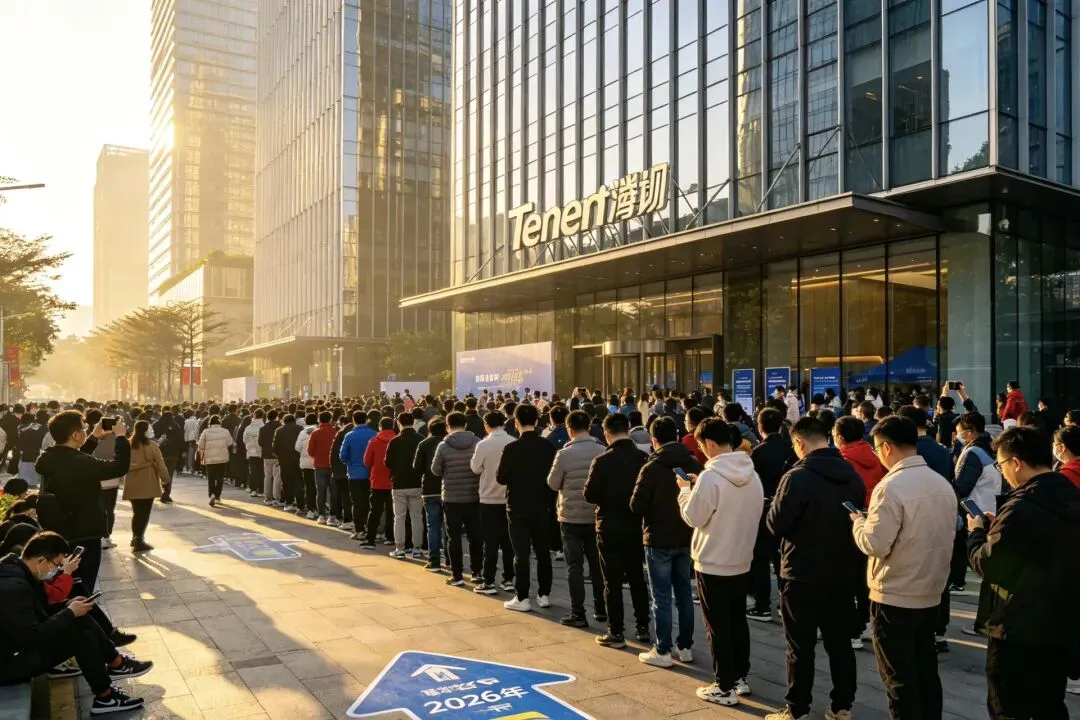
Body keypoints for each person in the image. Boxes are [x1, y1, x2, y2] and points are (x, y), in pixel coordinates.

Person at [966, 426, 1080, 718]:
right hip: (1061, 624)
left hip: (1017, 627)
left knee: (1007, 706)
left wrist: (976, 534)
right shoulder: (1070, 495)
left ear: (1015, 462)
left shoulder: (1020, 507)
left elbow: (990, 565)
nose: (1002, 473)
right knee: (1050, 705)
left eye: (1001, 465)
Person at [850, 416, 956, 720]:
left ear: (886, 447)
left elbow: (874, 543)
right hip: (931, 591)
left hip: (894, 595)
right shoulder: (941, 483)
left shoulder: (890, 487)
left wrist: (858, 523)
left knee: (898, 678)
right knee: (925, 671)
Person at [766, 417, 865, 720]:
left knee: (800, 646)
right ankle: (842, 706)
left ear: (799, 442)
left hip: (800, 572)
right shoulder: (851, 475)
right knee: (840, 644)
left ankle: (797, 709)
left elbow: (776, 524)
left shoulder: (796, 477)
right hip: (841, 572)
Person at [0, 531, 153, 714]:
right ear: (41, 560)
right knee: (79, 635)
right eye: (56, 565)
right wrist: (69, 612)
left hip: (16, 649)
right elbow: (31, 636)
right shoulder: (11, 588)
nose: (56, 570)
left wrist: (67, 606)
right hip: (8, 664)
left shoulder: (19, 572)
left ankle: (114, 670)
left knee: (79, 618)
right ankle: (108, 689)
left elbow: (36, 614)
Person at [676, 419, 763, 706]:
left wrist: (684, 491)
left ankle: (723, 686)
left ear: (710, 443)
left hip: (712, 560)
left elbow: (693, 516)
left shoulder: (711, 477)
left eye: (701, 445)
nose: (701, 450)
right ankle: (740, 677)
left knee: (717, 625)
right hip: (741, 557)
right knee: (737, 620)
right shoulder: (752, 473)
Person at [627, 415, 701, 660]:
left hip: (657, 537)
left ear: (654, 440)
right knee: (684, 594)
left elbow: (636, 506)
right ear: (677, 435)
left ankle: (663, 649)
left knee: (661, 596)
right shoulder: (693, 463)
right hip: (686, 536)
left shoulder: (650, 468)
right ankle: (685, 646)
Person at [35, 412, 130, 594]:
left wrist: (94, 438)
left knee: (66, 584)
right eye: (84, 428)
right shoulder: (78, 462)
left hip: (60, 531)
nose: (87, 431)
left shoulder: (50, 457)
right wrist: (120, 437)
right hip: (83, 533)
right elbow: (119, 467)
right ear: (75, 435)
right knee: (82, 588)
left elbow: (73, 459)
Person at [547, 410, 606, 627]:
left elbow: (553, 483)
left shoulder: (563, 454)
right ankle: (601, 608)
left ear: (569, 429)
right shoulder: (602, 450)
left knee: (574, 566)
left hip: (570, 516)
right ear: (589, 426)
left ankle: (578, 612)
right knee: (597, 565)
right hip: (595, 515)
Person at [496, 403, 557, 612]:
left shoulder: (512, 448)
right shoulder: (548, 446)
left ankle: (522, 597)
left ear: (516, 422)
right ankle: (544, 594)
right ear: (537, 421)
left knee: (521, 553)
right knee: (543, 552)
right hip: (543, 505)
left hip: (518, 506)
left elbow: (501, 478)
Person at [747, 408, 796, 621]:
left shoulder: (757, 452)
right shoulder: (791, 449)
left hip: (763, 508)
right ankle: (784, 602)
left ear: (760, 427)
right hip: (787, 508)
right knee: (782, 557)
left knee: (760, 557)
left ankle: (762, 605)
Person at [951, 411, 1002, 593]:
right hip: (990, 506)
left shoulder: (973, 453)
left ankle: (958, 582)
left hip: (973, 510)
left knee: (968, 549)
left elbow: (962, 486)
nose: (958, 436)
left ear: (970, 431)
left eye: (960, 432)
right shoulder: (991, 447)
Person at [431, 412, 483, 586]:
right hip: (474, 495)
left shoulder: (443, 446)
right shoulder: (477, 442)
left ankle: (457, 575)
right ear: (465, 424)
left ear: (448, 426)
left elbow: (435, 470)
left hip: (451, 497)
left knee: (453, 537)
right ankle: (477, 572)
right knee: (475, 536)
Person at [469, 411, 516, 595]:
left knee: (490, 542)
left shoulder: (483, 444)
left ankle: (488, 580)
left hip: (488, 497)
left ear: (486, 425)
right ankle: (508, 579)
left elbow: (475, 468)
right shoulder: (512, 441)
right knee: (508, 541)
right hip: (508, 497)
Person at [123, 421, 169, 553]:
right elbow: (160, 464)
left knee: (136, 512)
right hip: (148, 482)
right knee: (144, 513)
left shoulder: (128, 445)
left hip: (132, 482)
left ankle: (135, 537)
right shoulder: (152, 445)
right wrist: (165, 480)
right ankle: (139, 539)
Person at [385, 412, 423, 559]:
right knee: (416, 517)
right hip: (417, 483)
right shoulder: (421, 439)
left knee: (399, 517)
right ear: (413, 422)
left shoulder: (394, 441)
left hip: (399, 483)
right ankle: (417, 548)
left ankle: (399, 548)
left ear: (398, 423)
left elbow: (388, 462)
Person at [414, 418, 448, 572]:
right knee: (448, 526)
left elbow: (416, 467)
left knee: (432, 526)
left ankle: (434, 561)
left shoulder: (423, 444)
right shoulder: (448, 443)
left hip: (429, 489)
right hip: (447, 489)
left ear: (429, 430)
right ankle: (449, 558)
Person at [360, 417, 397, 548]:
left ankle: (371, 538)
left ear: (380, 427)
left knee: (375, 511)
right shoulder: (397, 440)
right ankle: (390, 537)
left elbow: (367, 462)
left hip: (377, 481)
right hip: (393, 480)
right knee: (392, 511)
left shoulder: (374, 441)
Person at [340, 411, 377, 539]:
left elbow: (343, 455)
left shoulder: (349, 435)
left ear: (353, 420)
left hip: (354, 473)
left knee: (356, 502)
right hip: (370, 473)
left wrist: (350, 463)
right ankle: (369, 528)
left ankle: (359, 529)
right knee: (369, 502)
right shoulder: (374, 434)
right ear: (367, 419)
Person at [307, 411, 337, 523]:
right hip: (333, 466)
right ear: (330, 419)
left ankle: (321, 515)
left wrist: (317, 456)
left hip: (319, 466)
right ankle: (332, 516)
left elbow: (310, 451)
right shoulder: (335, 432)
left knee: (320, 492)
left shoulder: (315, 433)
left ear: (319, 420)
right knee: (334, 492)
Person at [197, 415, 233, 507]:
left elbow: (201, 445)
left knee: (211, 477)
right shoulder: (225, 431)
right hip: (222, 458)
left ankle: (211, 494)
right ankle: (217, 496)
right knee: (220, 477)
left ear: (210, 423)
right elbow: (230, 443)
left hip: (210, 458)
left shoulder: (206, 432)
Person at [272, 414, 304, 513]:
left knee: (286, 482)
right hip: (298, 459)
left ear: (284, 421)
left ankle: (288, 503)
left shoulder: (279, 430)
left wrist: (279, 457)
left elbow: (274, 448)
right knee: (298, 481)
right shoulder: (300, 429)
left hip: (284, 460)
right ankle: (300, 505)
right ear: (294, 420)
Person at [295, 413, 318, 519]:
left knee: (309, 486)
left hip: (305, 463)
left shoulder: (302, 432)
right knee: (319, 487)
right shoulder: (318, 430)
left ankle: (310, 508)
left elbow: (297, 447)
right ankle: (319, 507)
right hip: (318, 462)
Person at [258, 410, 282, 505]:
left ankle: (267, 497)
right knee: (277, 477)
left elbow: (260, 442)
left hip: (266, 455)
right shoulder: (280, 426)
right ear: (276, 416)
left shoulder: (263, 428)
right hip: (277, 455)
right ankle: (276, 498)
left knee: (267, 476)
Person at [243, 409, 266, 499]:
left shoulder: (248, 427)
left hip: (251, 451)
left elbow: (244, 440)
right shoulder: (263, 426)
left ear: (254, 415)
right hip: (261, 451)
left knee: (253, 471)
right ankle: (261, 489)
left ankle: (253, 490)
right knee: (261, 471)